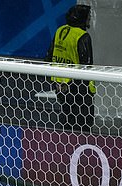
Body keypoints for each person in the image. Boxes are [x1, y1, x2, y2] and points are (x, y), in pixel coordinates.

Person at [46, 4, 95, 133]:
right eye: (88, 17)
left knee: (66, 120)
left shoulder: (59, 31)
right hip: (80, 89)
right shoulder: (82, 36)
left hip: (60, 85)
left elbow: (48, 57)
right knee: (83, 126)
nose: (89, 19)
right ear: (82, 18)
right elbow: (87, 65)